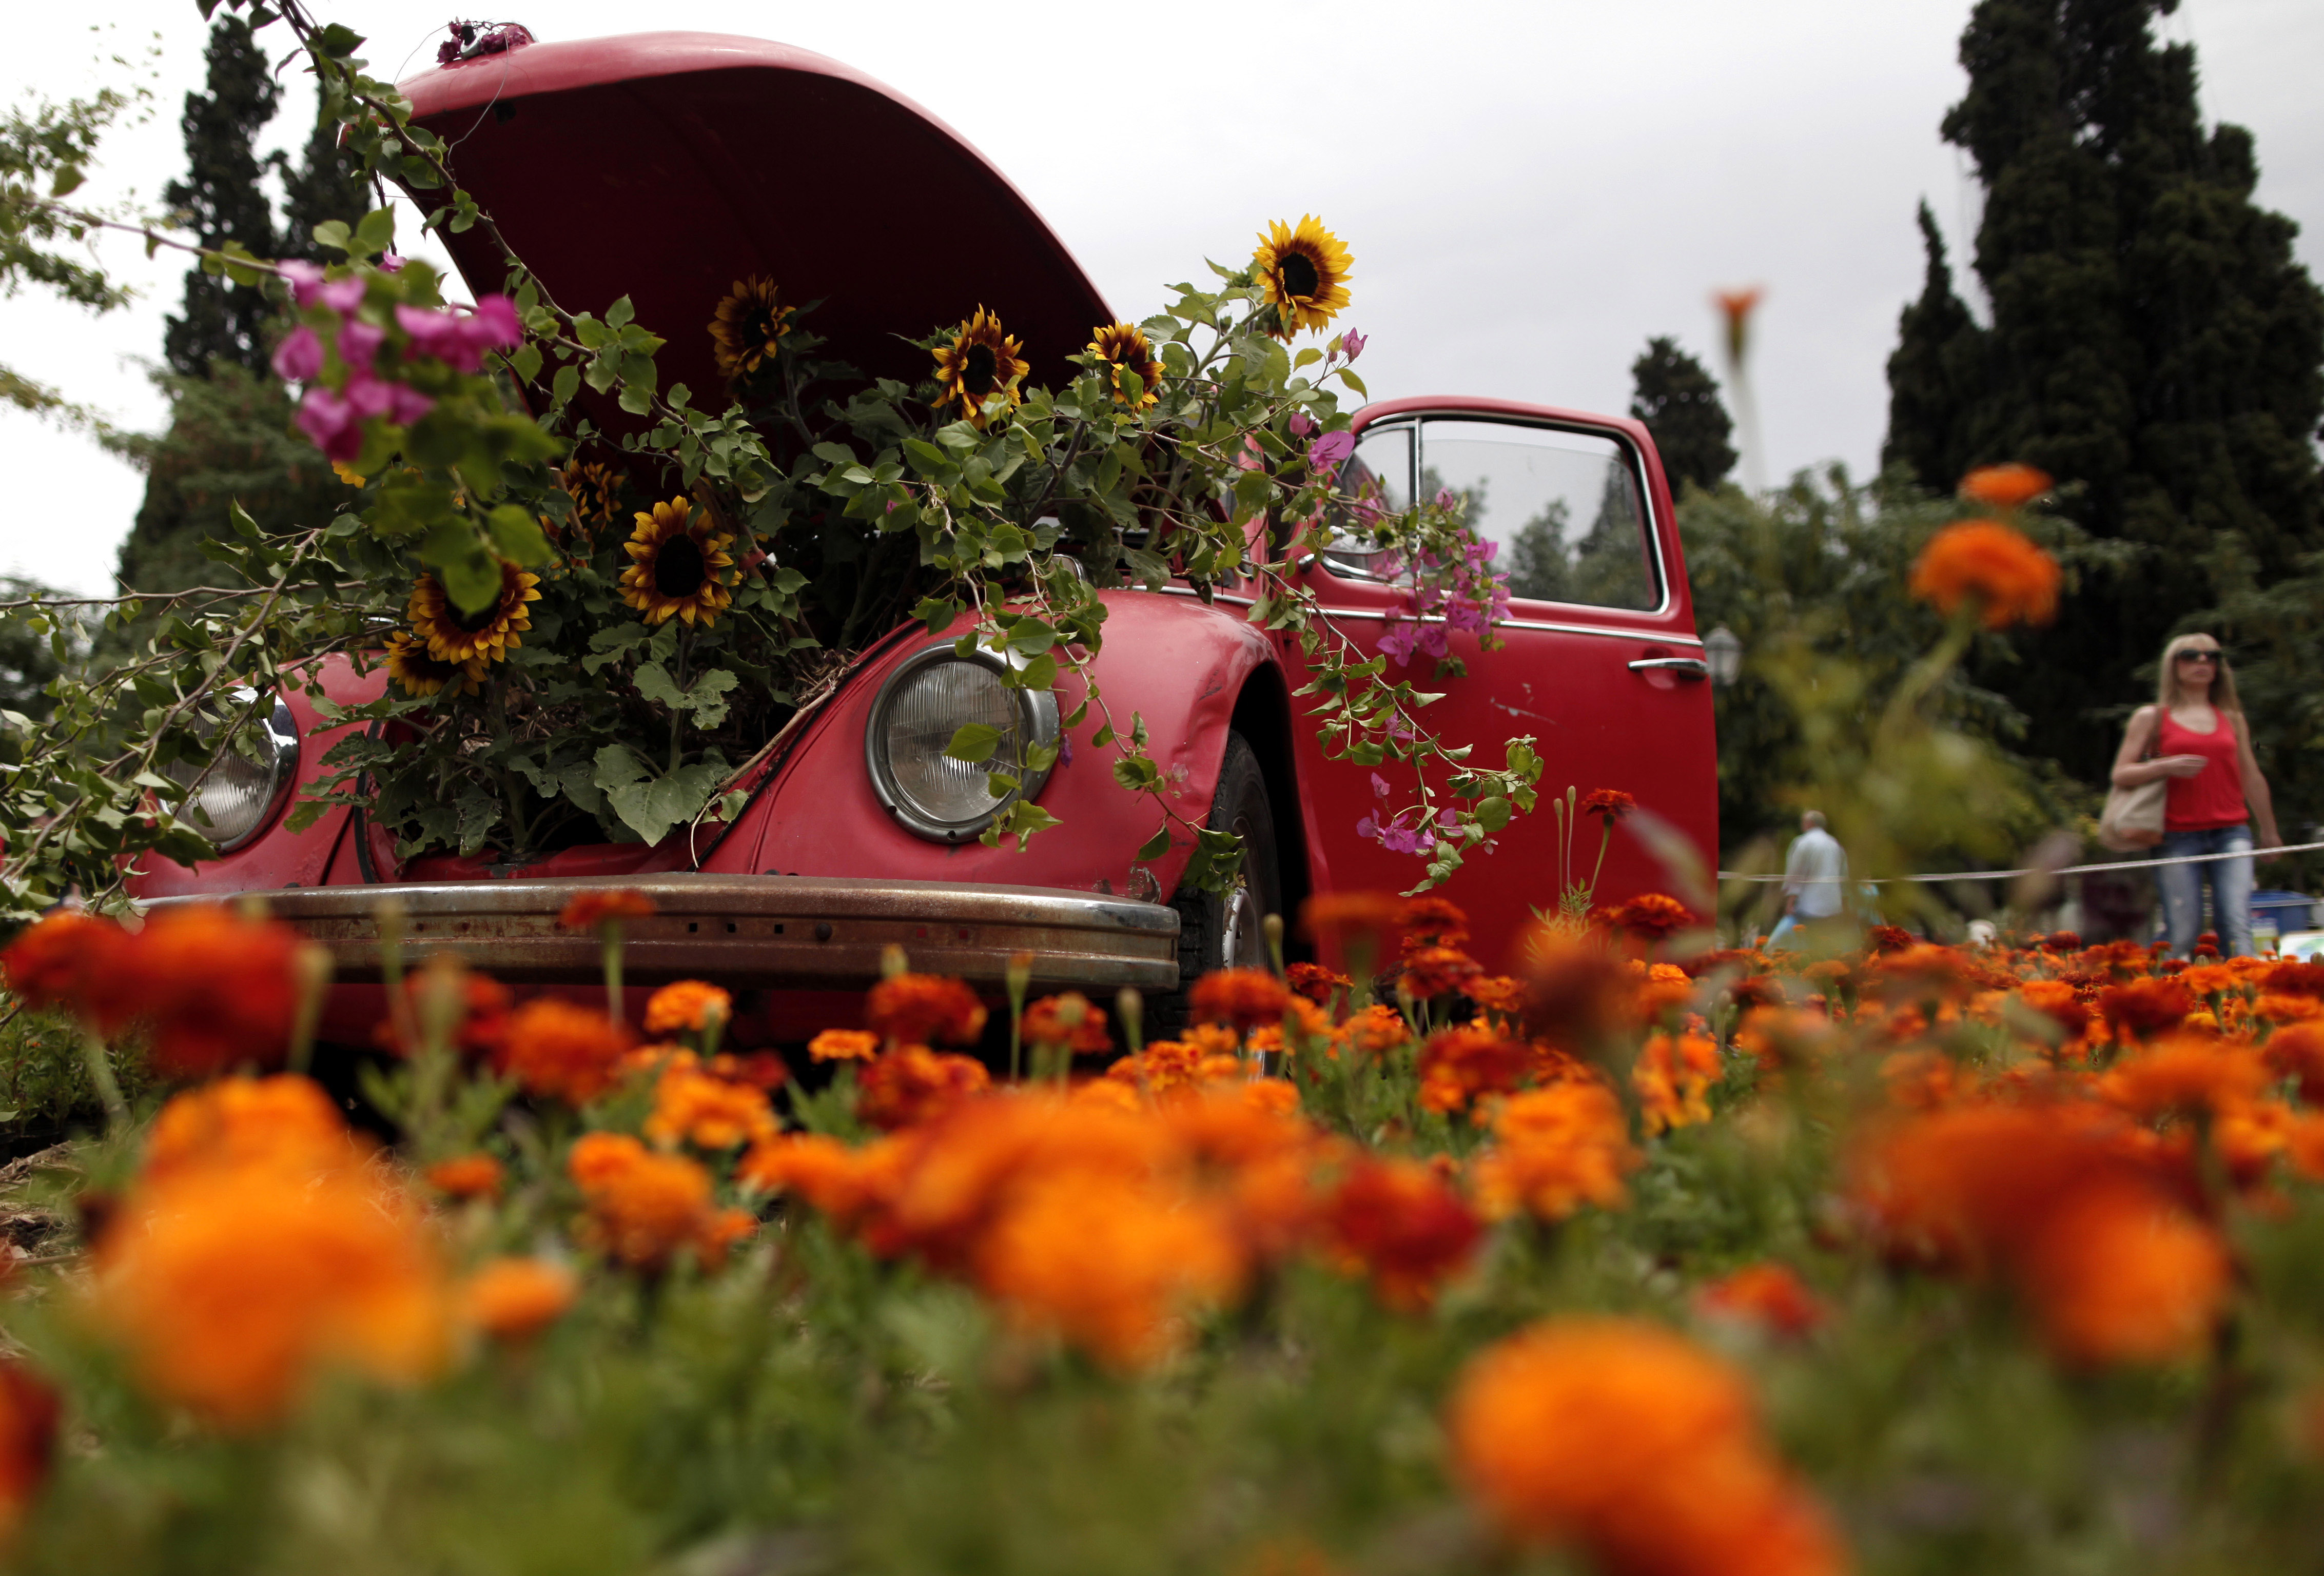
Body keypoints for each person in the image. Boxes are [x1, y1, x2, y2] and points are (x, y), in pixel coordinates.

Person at [2110, 633, 2282, 957]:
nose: (2203, 662)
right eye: (2191, 656)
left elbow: (2250, 775)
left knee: (2236, 922)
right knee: (2183, 929)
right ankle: (2154, 999)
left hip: (2232, 832)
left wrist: (2270, 831)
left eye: (2212, 657)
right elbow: (2121, 773)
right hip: (2176, 835)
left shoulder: (2231, 718)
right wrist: (2165, 766)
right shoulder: (2152, 717)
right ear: (2173, 666)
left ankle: (2248, 1003)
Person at [1767, 811, 1846, 948]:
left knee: (1797, 946)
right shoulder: (1835, 844)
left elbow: (1796, 873)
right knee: (1826, 947)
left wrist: (1790, 901)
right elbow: (1844, 875)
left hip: (1808, 906)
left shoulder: (1803, 842)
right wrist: (1844, 900)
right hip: (1833, 906)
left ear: (1809, 823)